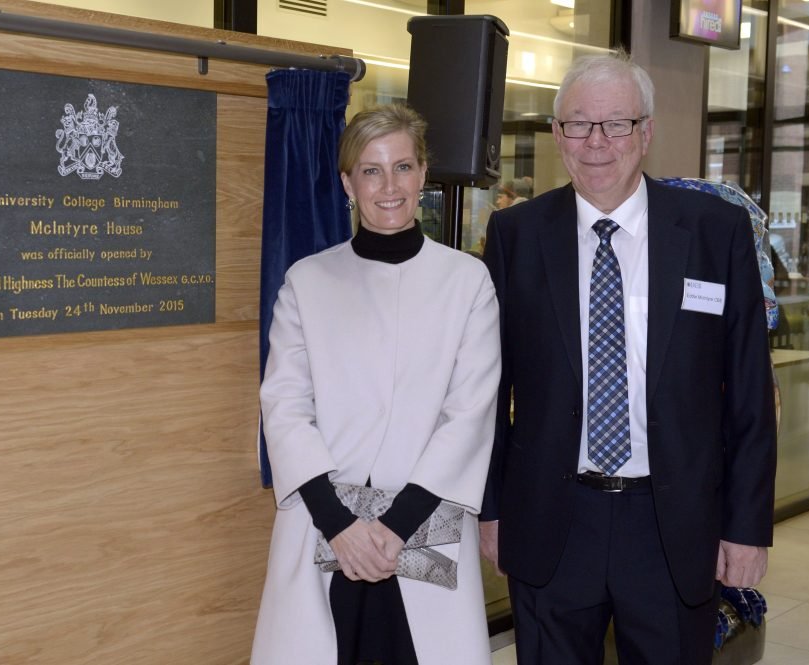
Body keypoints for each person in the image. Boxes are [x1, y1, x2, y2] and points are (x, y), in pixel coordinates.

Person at [479, 49, 776, 665]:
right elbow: (488, 386)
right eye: (578, 124)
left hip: (673, 526)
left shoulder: (714, 232)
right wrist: (491, 508)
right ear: (557, 134)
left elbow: (749, 391)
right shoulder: (516, 235)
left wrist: (746, 526)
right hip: (552, 521)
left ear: (645, 132)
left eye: (616, 123)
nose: (596, 142)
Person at [252, 103, 501, 665]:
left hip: (421, 528)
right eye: (371, 170)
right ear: (347, 182)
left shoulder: (467, 283)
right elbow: (285, 407)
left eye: (403, 167)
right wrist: (341, 527)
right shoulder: (308, 281)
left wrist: (393, 529)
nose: (389, 186)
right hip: (324, 531)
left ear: (423, 175)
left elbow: (467, 416)